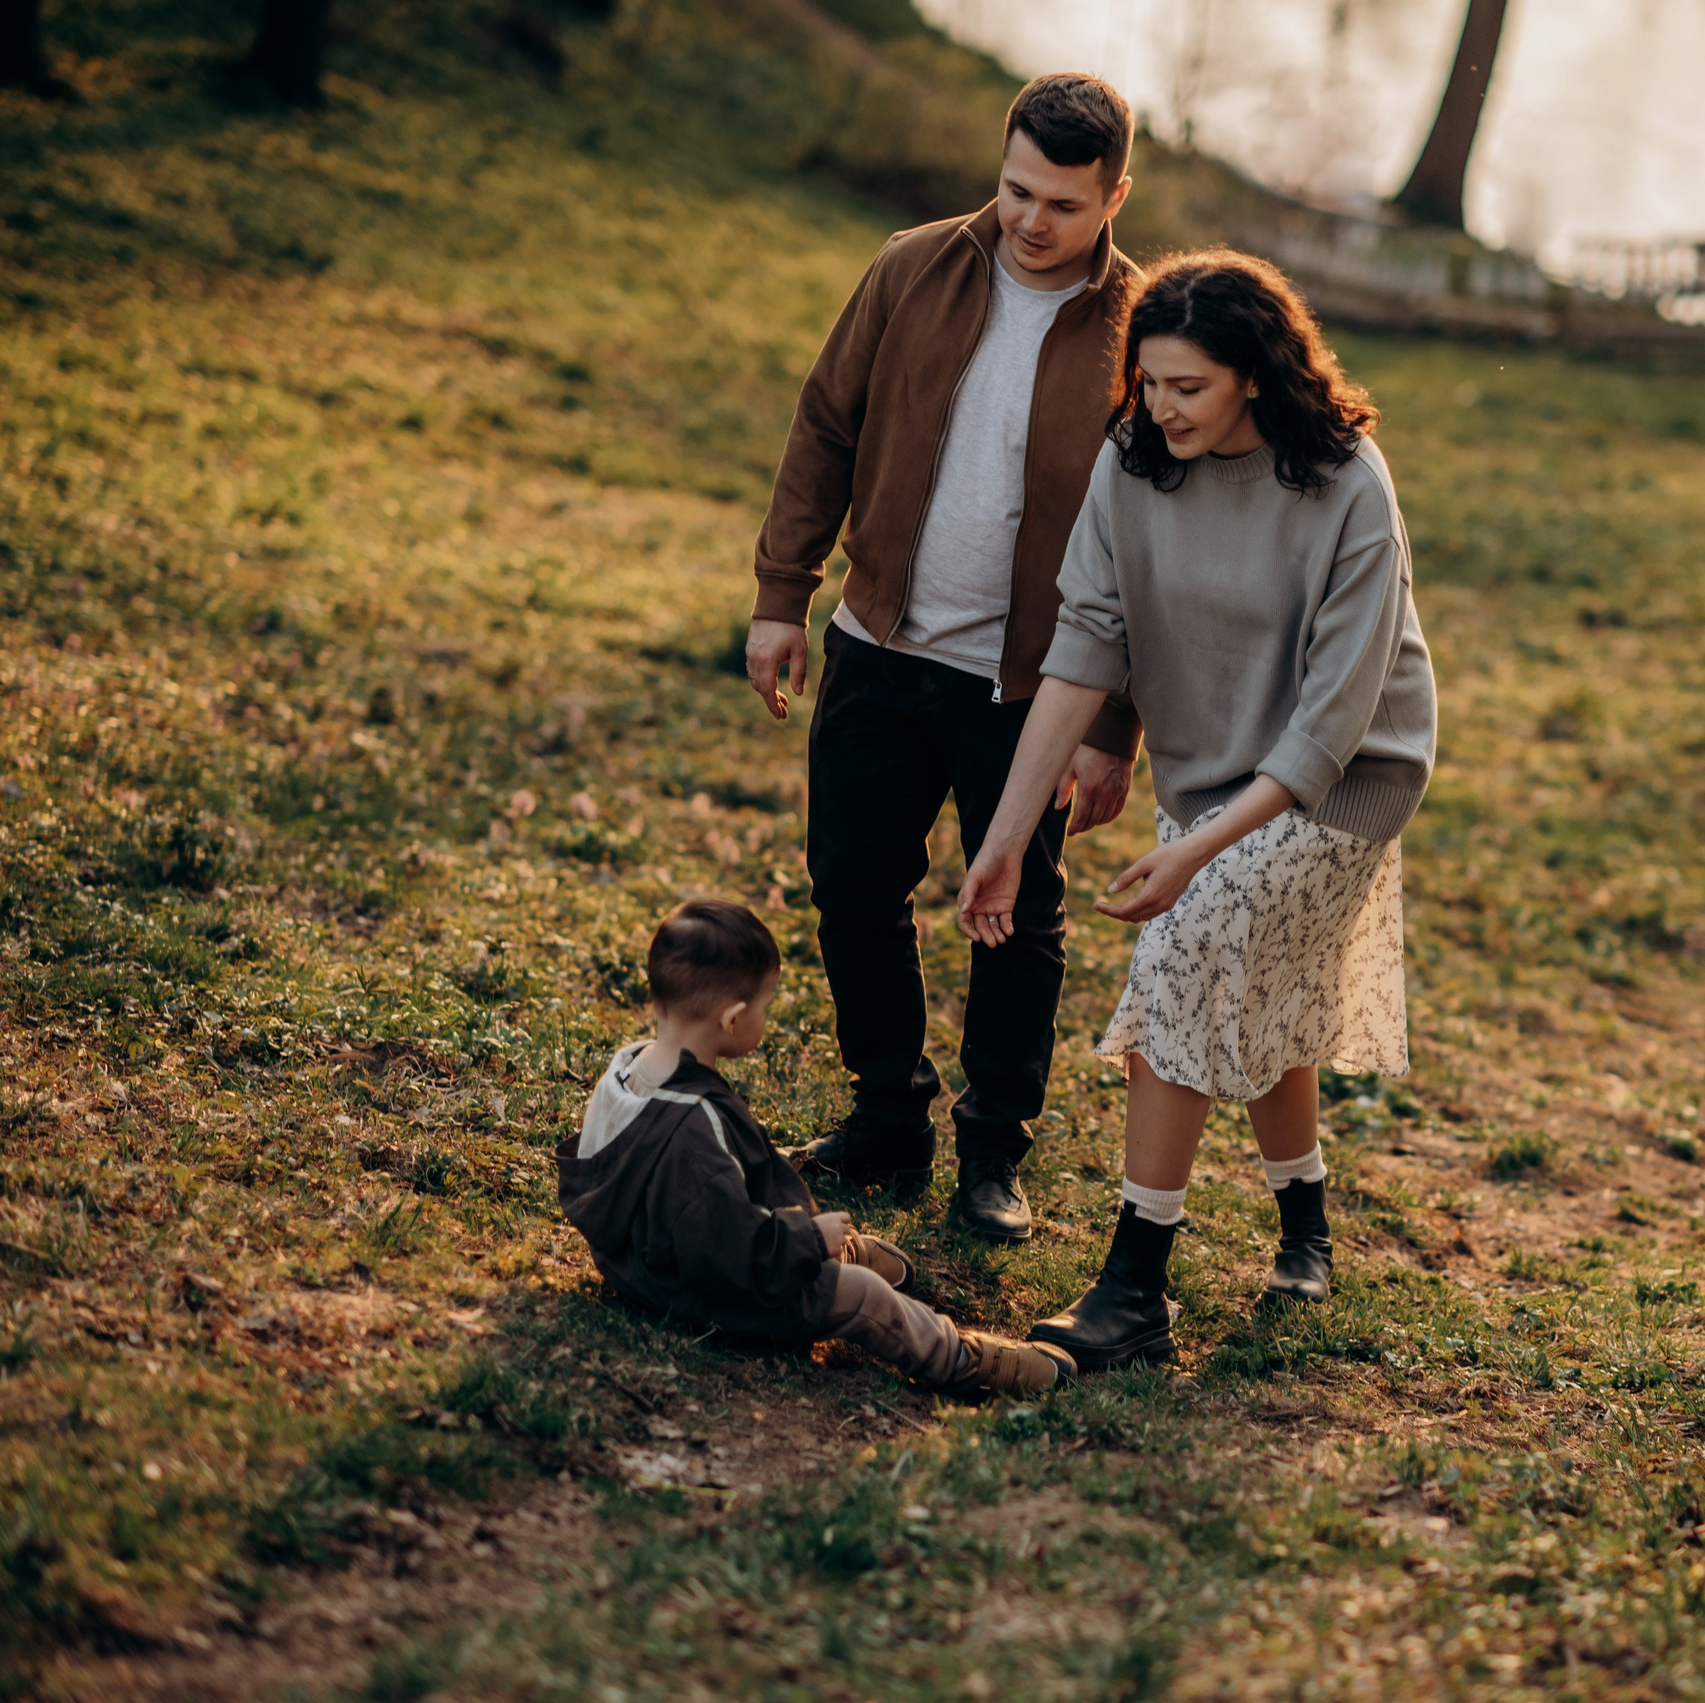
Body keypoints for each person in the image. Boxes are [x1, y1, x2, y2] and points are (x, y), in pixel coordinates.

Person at [956, 252, 1437, 1370]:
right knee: (1253, 972)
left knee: (1198, 942)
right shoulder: (1133, 467)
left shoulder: (1345, 481)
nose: (1158, 406)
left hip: (1347, 773)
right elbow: (1082, 648)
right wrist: (1004, 838)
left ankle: (1135, 1284)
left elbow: (1326, 725)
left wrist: (1196, 858)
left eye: (1186, 386)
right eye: (1149, 381)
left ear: (1254, 378)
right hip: (1209, 766)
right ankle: (1305, 1222)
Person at [744, 73, 1147, 1244]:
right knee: (851, 885)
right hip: (877, 646)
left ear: (1114, 194)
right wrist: (783, 593)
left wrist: (1115, 729)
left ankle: (992, 1150)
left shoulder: (1142, 325)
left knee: (1018, 919)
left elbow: (1149, 540)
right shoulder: (909, 266)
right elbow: (825, 422)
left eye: (1063, 205)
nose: (1030, 220)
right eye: (1016, 189)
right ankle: (886, 1112)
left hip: (1030, 688)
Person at [555, 900, 1074, 1397]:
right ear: (733, 1019)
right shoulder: (697, 1130)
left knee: (824, 1250)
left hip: (631, 1257)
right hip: (691, 1287)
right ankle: (959, 1361)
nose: (766, 1016)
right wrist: (803, 1240)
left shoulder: (628, 1067)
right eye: (765, 1005)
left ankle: (834, 1253)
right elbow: (730, 1253)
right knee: (868, 1298)